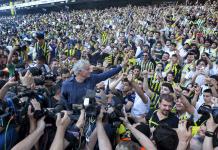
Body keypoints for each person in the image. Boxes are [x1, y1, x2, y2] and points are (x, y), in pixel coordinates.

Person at [59, 59, 127, 109]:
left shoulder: (92, 78)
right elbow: (63, 103)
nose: (91, 70)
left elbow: (107, 74)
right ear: (79, 71)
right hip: (74, 115)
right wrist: (78, 108)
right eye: (87, 69)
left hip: (89, 113)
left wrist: (121, 66)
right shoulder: (66, 84)